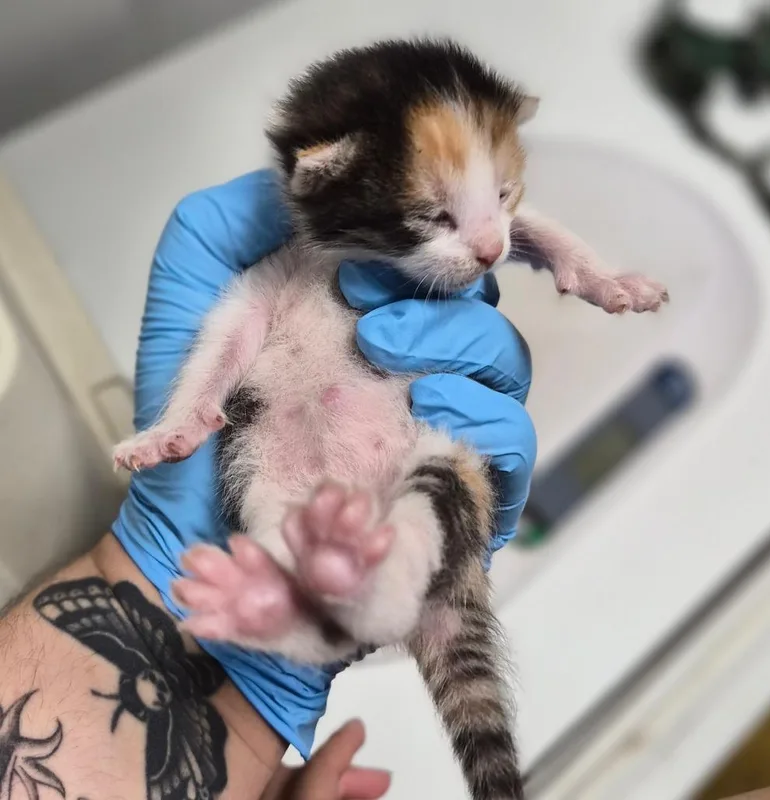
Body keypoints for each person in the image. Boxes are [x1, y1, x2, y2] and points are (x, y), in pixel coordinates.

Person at [0, 170, 536, 799]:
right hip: (299, 468)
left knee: (434, 479)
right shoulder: (306, 227)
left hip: (375, 458)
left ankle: (372, 585)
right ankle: (342, 595)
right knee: (283, 503)